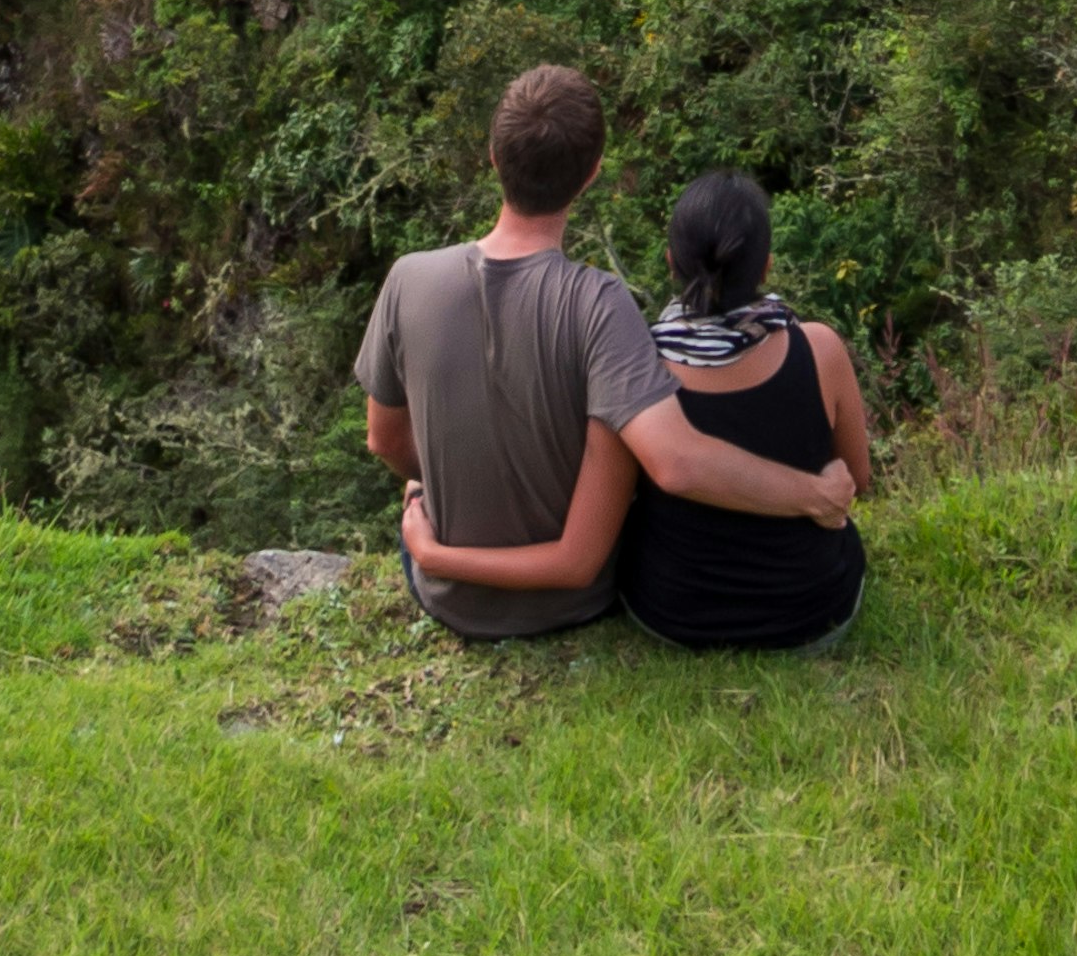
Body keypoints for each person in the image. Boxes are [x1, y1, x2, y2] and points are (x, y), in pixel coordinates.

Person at [357, 67, 850, 643]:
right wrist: (814, 493)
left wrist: (435, 535)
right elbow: (677, 463)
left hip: (447, 596)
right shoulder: (598, 302)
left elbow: (383, 441)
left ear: (493, 156)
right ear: (591, 174)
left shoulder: (408, 278)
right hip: (573, 599)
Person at [614, 171, 872, 653]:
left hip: (673, 612)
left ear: (671, 262)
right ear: (767, 266)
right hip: (814, 609)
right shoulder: (820, 350)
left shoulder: (637, 367)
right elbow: (857, 475)